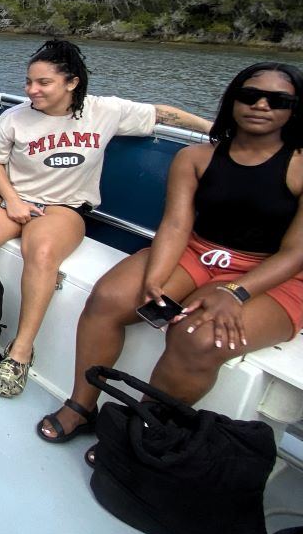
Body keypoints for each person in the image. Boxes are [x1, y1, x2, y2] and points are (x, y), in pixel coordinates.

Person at [37, 62, 303, 456]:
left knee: (197, 338)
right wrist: (156, 277)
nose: (261, 105)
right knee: (109, 299)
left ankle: (142, 431)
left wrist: (236, 292)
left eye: (278, 100)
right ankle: (82, 404)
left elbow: (296, 252)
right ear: (233, 100)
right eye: (250, 95)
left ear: (294, 108)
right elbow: (177, 225)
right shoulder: (196, 158)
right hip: (198, 250)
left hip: (272, 272)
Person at [0, 40, 213, 398]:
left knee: (42, 254)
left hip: (64, 205)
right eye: (29, 81)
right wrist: (12, 200)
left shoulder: (104, 110)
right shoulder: (14, 118)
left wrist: (214, 128)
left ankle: (20, 351)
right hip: (10, 195)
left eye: (43, 83)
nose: (31, 90)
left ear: (72, 82)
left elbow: (163, 114)